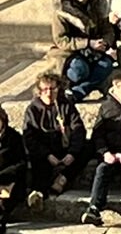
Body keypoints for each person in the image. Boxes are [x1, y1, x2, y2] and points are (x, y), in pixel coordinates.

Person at [80, 72, 121, 227]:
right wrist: (105, 153)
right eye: (118, 86)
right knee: (102, 169)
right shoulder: (107, 106)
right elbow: (98, 135)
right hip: (112, 154)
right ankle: (94, 208)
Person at [22, 72, 87, 208]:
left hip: (64, 148)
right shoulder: (33, 109)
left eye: (53, 89)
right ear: (39, 92)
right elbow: (30, 137)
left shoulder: (66, 106)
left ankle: (63, 178)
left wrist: (72, 153)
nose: (49, 93)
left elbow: (78, 129)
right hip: (45, 151)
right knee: (38, 162)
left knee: (87, 148)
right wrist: (47, 155)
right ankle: (38, 193)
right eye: (45, 89)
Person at [51, 0, 117, 99]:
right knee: (80, 70)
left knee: (106, 65)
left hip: (95, 52)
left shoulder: (97, 7)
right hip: (70, 53)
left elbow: (108, 30)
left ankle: (77, 92)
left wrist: (105, 42)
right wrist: (88, 43)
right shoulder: (62, 12)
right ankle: (66, 85)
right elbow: (61, 41)